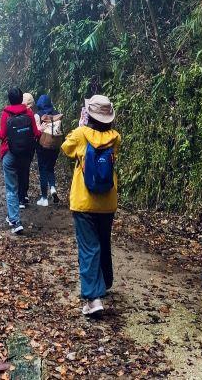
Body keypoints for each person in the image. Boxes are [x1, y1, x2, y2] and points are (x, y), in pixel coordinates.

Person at [61, 94, 120, 316]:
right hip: (107, 201)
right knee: (103, 242)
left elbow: (66, 148)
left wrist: (80, 125)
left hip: (83, 202)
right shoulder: (116, 137)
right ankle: (103, 283)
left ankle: (93, 299)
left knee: (88, 247)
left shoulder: (80, 134)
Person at [0, 86, 40, 234]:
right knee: (21, 182)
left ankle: (15, 221)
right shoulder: (28, 112)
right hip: (25, 156)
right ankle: (12, 216)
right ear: (22, 99)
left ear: (9, 99)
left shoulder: (6, 114)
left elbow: (2, 135)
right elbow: (35, 133)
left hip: (9, 155)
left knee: (11, 189)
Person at [34, 93, 62, 206]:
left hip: (42, 147)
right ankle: (53, 188)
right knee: (50, 168)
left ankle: (44, 198)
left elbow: (36, 133)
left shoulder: (38, 115)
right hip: (55, 146)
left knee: (43, 170)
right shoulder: (57, 114)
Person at [18, 92, 36, 207]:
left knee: (18, 171)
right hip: (29, 147)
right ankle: (24, 194)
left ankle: (20, 196)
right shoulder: (30, 113)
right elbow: (35, 132)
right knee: (25, 170)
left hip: (16, 146)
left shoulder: (14, 112)